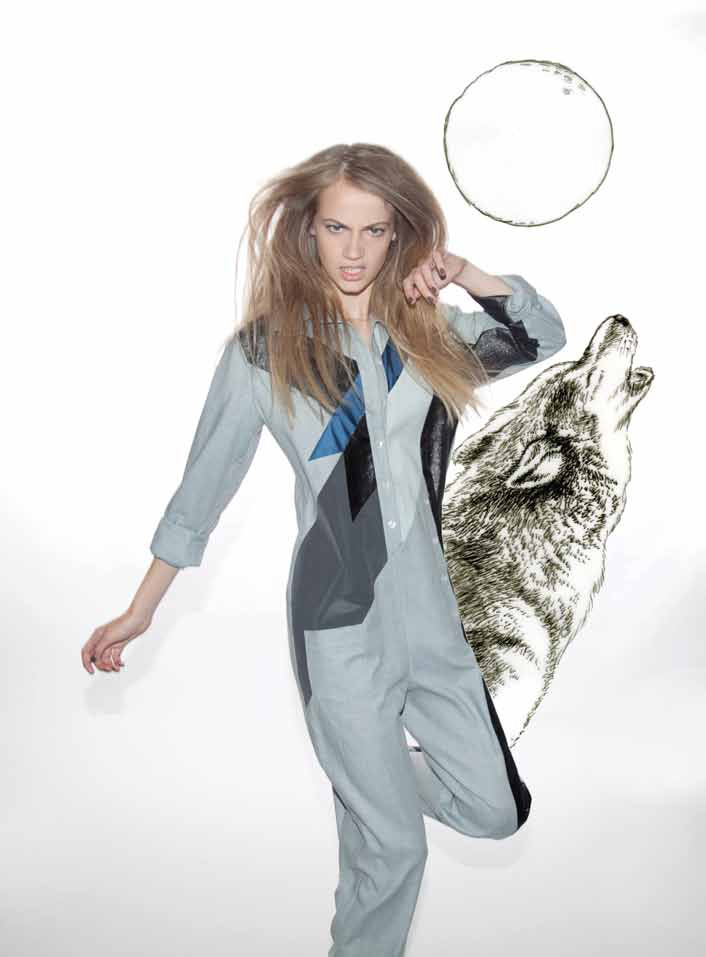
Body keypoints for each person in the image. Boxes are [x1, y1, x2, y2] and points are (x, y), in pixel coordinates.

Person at [81, 142, 567, 956]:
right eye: (337, 227)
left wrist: (466, 274)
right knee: (395, 854)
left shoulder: (429, 337)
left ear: (397, 235)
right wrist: (140, 610)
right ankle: (373, 807)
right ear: (308, 229)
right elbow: (201, 494)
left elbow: (542, 335)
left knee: (496, 809)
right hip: (339, 625)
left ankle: (373, 785)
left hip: (433, 624)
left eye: (374, 230)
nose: (353, 250)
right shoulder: (264, 353)